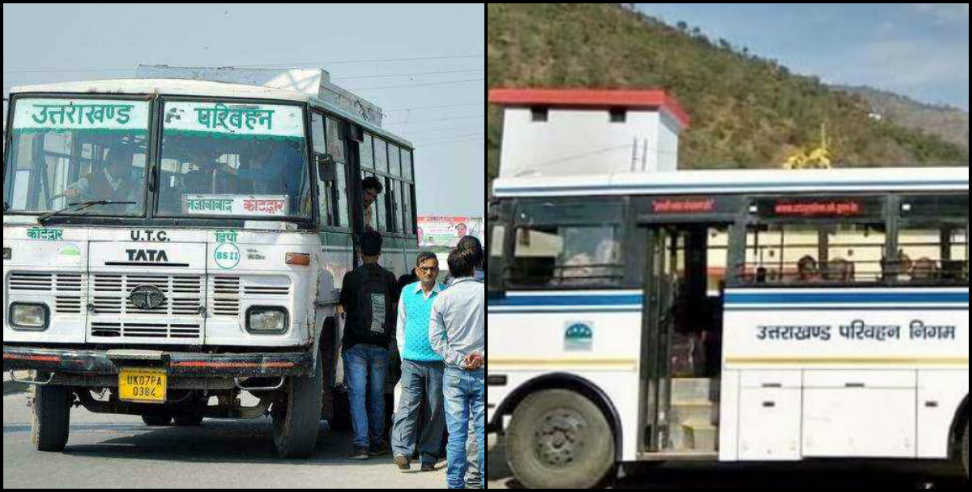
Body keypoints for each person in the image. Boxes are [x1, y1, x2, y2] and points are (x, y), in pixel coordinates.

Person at [338, 230, 400, 459]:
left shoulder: (351, 278)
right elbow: (394, 308)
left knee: (357, 395)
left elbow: (342, 306)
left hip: (355, 345)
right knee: (376, 394)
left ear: (360, 251)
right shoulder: (389, 278)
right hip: (380, 344)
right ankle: (377, 442)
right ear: (380, 252)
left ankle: (361, 445)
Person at [429, 248, 485, 489]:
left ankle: (454, 484)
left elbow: (435, 340)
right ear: (474, 267)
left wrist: (460, 360)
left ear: (450, 270)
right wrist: (481, 356)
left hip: (454, 374)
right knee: (482, 433)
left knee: (457, 434)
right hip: (483, 371)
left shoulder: (442, 298)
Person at [391, 252, 447, 472]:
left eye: (432, 268)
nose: (429, 272)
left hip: (438, 362)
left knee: (435, 411)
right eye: (424, 268)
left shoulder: (444, 294)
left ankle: (428, 456)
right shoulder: (407, 292)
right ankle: (402, 452)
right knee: (407, 407)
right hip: (411, 361)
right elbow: (400, 328)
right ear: (416, 270)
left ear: (437, 270)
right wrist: (404, 356)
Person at [62, 145, 141, 211]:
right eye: (126, 164)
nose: (128, 168)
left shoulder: (130, 184)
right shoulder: (91, 179)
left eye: (129, 164)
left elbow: (132, 208)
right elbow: (76, 189)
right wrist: (73, 191)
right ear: (113, 162)